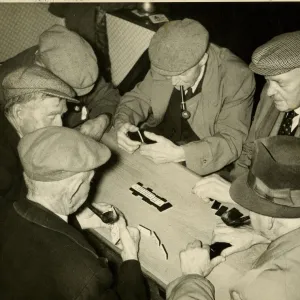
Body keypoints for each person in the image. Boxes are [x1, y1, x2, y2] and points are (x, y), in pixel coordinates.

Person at [0, 126, 147, 300]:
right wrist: (130, 258)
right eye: (90, 182)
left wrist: (76, 222)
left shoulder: (6, 212)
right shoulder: (87, 275)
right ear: (73, 190)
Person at [113, 18, 255, 176]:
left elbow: (231, 141)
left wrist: (181, 154)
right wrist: (122, 123)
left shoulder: (237, 77)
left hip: (203, 159)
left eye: (182, 74)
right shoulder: (166, 60)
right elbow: (139, 98)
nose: (173, 82)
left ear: (203, 59)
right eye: (168, 75)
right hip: (157, 144)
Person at [167, 136, 300, 300]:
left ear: (271, 220)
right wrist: (260, 236)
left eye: (251, 206)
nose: (249, 212)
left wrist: (192, 276)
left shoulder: (267, 286)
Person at [0, 24, 120, 141]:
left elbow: (107, 96)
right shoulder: (10, 88)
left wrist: (103, 119)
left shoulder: (73, 62)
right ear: (41, 66)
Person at [0, 65, 79, 202]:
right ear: (19, 113)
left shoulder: (24, 135)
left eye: (62, 115)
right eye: (51, 116)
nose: (60, 126)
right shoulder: (4, 163)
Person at [230, 30, 300, 180]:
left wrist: (239, 197)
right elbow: (249, 151)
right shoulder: (272, 95)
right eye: (268, 80)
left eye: (280, 83)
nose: (269, 92)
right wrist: (233, 186)